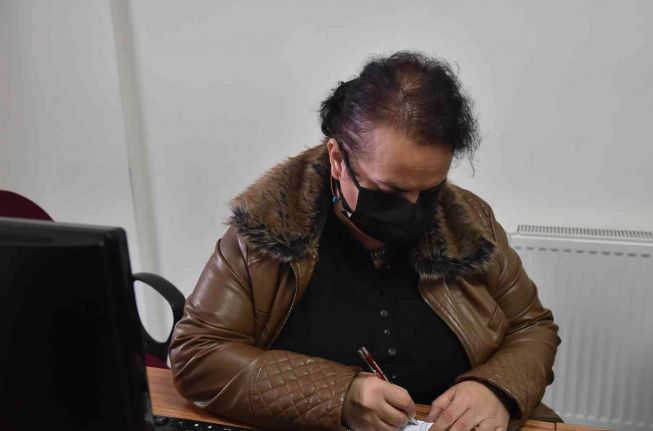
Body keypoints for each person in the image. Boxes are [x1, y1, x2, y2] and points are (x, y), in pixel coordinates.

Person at [169, 51, 560, 431]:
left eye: (430, 189)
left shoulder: (471, 224)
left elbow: (532, 327)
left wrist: (496, 388)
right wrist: (339, 395)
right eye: (390, 191)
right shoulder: (265, 232)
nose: (414, 208)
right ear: (338, 159)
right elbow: (198, 355)